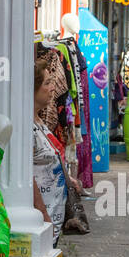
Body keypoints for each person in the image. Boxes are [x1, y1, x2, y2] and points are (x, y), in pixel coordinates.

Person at [34, 56, 85, 244]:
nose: (54, 87)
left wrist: (68, 179)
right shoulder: (26, 129)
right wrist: (43, 216)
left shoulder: (40, 121)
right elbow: (26, 176)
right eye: (47, 83)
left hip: (54, 217)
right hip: (43, 220)